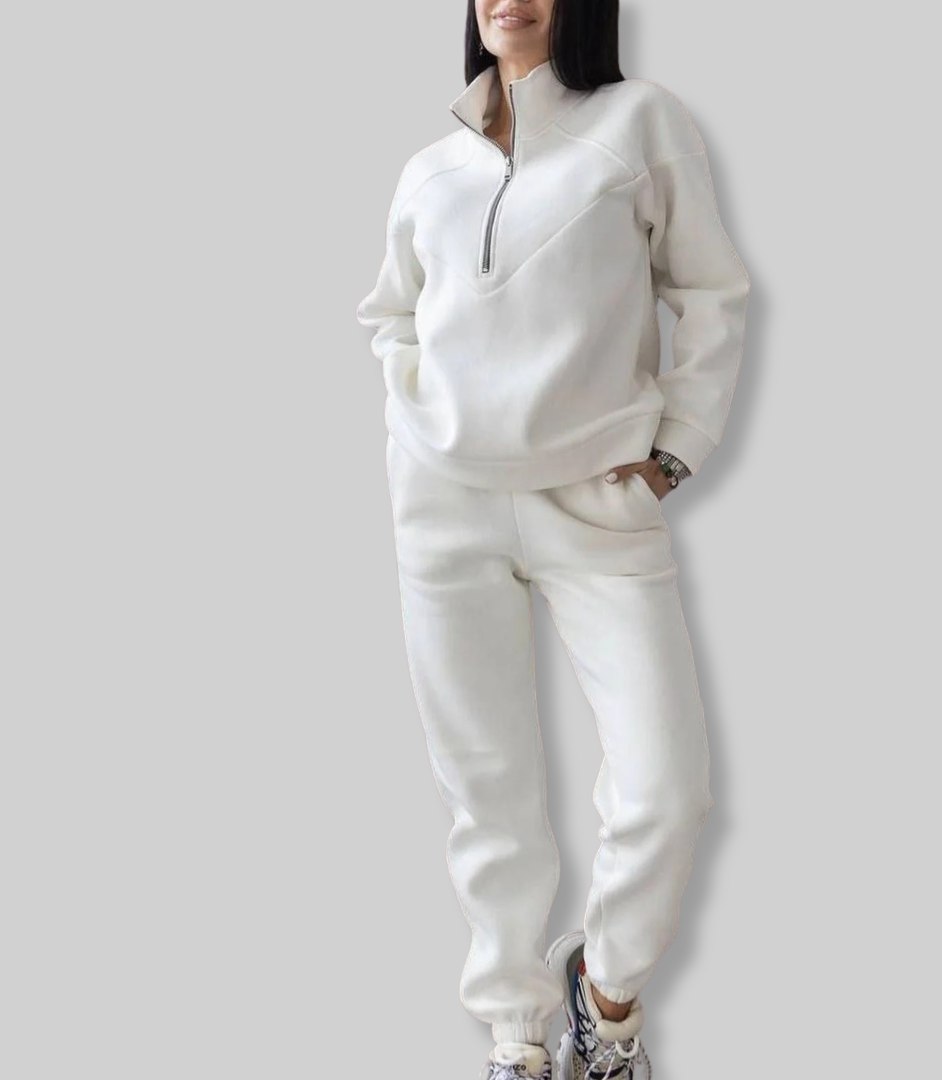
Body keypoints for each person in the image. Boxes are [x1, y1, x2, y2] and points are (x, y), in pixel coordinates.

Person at [356, 1, 750, 1076]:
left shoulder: (640, 123)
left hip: (596, 499)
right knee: (487, 791)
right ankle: (515, 1037)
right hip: (445, 505)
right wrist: (419, 411)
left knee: (667, 788)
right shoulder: (429, 169)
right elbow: (389, 313)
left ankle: (605, 998)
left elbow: (713, 291)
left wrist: (678, 446)